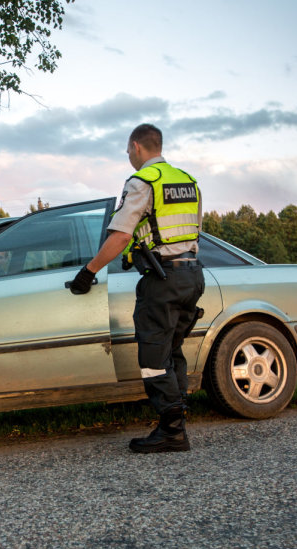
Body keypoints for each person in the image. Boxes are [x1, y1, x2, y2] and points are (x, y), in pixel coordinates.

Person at [68, 123, 204, 453]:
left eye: (128, 151)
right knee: (171, 352)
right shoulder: (187, 181)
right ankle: (177, 421)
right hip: (192, 276)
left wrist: (89, 272)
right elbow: (186, 232)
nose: (129, 156)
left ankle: (171, 431)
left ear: (136, 147)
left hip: (163, 281)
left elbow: (120, 235)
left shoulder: (143, 182)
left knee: (154, 358)